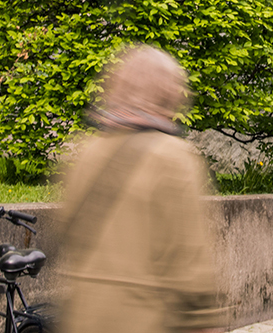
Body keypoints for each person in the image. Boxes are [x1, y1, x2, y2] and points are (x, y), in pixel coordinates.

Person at [57, 45, 225, 333]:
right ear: (167, 96)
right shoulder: (174, 158)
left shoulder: (85, 153)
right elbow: (191, 265)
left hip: (85, 317)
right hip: (144, 320)